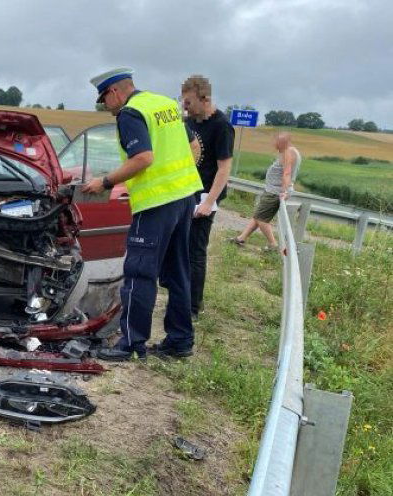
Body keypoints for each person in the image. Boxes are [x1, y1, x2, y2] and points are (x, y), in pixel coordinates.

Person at [81, 68, 203, 360]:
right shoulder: (163, 104)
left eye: (103, 101)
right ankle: (180, 341)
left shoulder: (130, 113)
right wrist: (180, 179)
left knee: (139, 273)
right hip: (184, 197)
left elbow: (143, 158)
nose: (105, 108)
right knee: (177, 273)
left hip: (155, 204)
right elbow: (194, 146)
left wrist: (105, 182)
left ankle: (131, 345)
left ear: (114, 93)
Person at [180, 75, 234, 321]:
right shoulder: (190, 122)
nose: (185, 107)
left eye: (189, 102)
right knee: (180, 246)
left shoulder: (221, 126)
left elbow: (224, 168)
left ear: (205, 99)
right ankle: (180, 295)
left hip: (205, 196)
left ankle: (192, 306)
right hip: (187, 192)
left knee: (195, 250)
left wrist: (209, 202)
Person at [231, 132, 301, 249]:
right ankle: (241, 238)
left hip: (275, 192)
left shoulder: (288, 153)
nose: (274, 145)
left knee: (261, 219)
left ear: (282, 142)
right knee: (258, 216)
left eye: (276, 142)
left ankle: (273, 245)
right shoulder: (290, 151)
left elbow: (287, 173)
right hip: (273, 190)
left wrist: (284, 191)